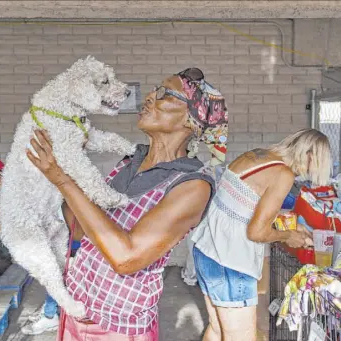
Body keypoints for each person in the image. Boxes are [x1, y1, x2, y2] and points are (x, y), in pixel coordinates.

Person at [26, 67, 228, 340]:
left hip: (116, 325)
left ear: (192, 120)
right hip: (77, 306)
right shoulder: (129, 161)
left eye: (164, 94)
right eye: (154, 91)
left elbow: (127, 258)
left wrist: (63, 180)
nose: (148, 97)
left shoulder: (192, 184)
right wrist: (69, 165)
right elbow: (80, 228)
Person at [191, 129, 332, 341]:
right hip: (231, 262)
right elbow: (256, 232)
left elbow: (242, 208)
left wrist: (287, 227)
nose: (310, 173)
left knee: (218, 329)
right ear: (310, 156)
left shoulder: (258, 156)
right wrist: (288, 236)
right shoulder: (283, 174)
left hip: (206, 250)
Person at [0, 157, 69, 335]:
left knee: (51, 272)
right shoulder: (17, 183)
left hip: (57, 227)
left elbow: (29, 223)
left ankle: (51, 317)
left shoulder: (16, 187)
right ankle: (51, 310)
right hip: (53, 225)